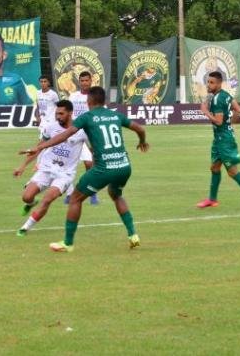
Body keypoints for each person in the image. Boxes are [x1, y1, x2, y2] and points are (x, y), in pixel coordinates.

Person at [26, 86, 149, 252]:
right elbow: (140, 129)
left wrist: (41, 146)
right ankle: (133, 235)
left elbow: (65, 135)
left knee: (76, 198)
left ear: (88, 101)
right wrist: (142, 141)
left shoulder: (87, 117)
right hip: (123, 166)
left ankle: (67, 243)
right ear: (104, 100)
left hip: (104, 168)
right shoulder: (115, 115)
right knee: (116, 195)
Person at [14, 100, 88, 236]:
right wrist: (22, 166)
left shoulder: (82, 130)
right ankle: (30, 204)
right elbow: (38, 147)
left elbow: (93, 150)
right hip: (46, 169)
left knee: (47, 199)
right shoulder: (50, 127)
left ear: (70, 113)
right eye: (56, 114)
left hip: (65, 174)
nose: (58, 116)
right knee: (26, 197)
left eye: (61, 113)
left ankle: (25, 228)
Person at [196, 71, 240, 212]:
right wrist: (231, 124)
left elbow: (219, 121)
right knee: (214, 168)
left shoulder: (218, 99)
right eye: (208, 82)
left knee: (232, 172)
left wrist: (205, 111)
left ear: (219, 83)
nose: (209, 85)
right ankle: (212, 199)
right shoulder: (225, 95)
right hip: (219, 138)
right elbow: (238, 109)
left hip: (224, 140)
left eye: (212, 82)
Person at [67, 71, 98, 205]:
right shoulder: (73, 96)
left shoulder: (95, 96)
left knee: (90, 164)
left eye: (87, 80)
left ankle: (92, 193)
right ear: (79, 82)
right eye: (82, 80)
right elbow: (68, 113)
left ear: (91, 81)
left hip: (90, 131)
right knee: (68, 163)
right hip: (75, 132)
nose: (85, 83)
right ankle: (69, 193)